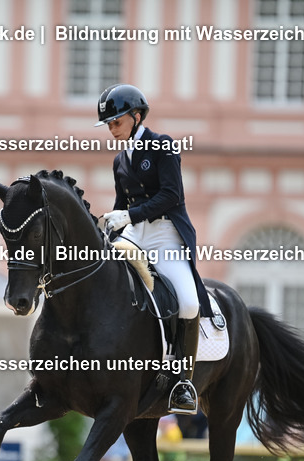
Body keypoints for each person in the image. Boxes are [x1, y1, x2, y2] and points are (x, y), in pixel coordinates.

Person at [95, 83, 212, 415]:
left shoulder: (162, 146)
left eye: (116, 122)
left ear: (135, 116)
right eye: (108, 124)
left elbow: (171, 195)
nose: (111, 129)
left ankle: (183, 382)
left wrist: (128, 214)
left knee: (188, 303)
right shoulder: (120, 160)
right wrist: (110, 223)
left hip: (165, 236)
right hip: (134, 235)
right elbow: (122, 204)